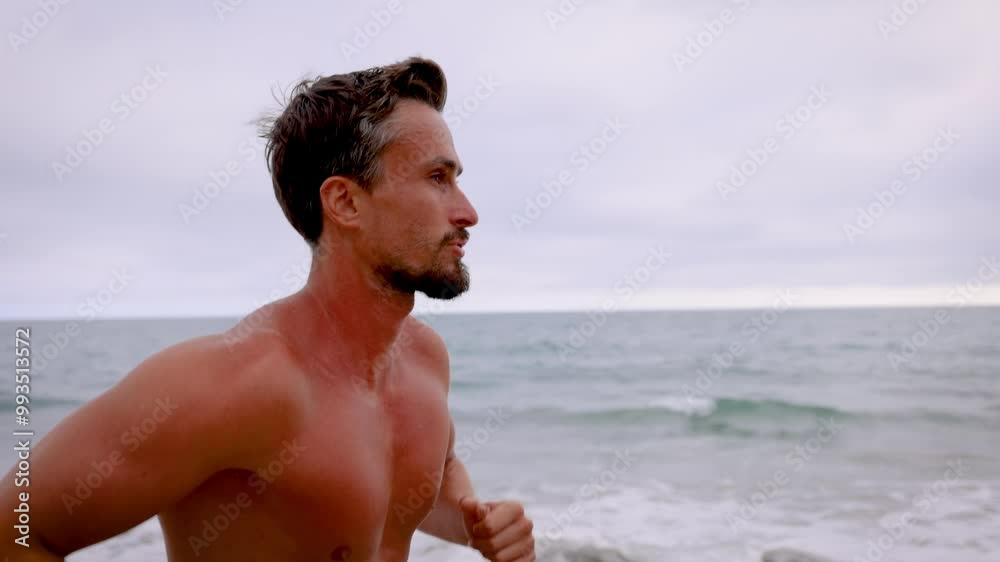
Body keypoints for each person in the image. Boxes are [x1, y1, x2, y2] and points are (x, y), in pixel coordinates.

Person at [0, 56, 535, 562]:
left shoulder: (424, 357)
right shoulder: (235, 383)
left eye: (457, 179)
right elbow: (18, 526)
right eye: (438, 179)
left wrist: (473, 520)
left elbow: (430, 476)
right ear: (345, 202)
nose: (468, 212)